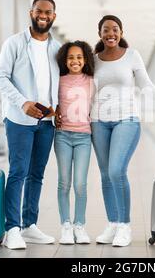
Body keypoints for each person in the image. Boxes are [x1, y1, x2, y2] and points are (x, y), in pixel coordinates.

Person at [90, 15, 155, 247]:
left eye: (115, 29)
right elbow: (84, 90)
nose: (110, 33)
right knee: (105, 174)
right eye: (106, 30)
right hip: (98, 122)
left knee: (116, 171)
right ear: (100, 34)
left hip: (127, 120)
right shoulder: (93, 60)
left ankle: (124, 226)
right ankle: (112, 223)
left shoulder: (132, 56)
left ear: (121, 33)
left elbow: (146, 86)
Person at [0, 0, 61, 250]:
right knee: (19, 171)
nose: (43, 15)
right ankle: (12, 228)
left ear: (54, 16)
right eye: (38, 11)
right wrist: (23, 102)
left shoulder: (57, 48)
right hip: (20, 119)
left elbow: (61, 81)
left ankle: (29, 225)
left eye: (48, 12)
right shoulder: (14, 43)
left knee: (37, 174)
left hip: (46, 122)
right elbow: (0, 78)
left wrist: (58, 108)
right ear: (31, 13)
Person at [54, 41, 95, 245]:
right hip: (62, 136)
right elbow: (51, 102)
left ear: (85, 59)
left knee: (80, 184)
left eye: (79, 57)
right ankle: (66, 226)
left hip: (83, 138)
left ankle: (80, 225)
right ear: (65, 60)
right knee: (63, 183)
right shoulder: (58, 80)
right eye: (70, 57)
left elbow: (97, 105)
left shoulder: (91, 81)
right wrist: (54, 115)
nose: (75, 61)